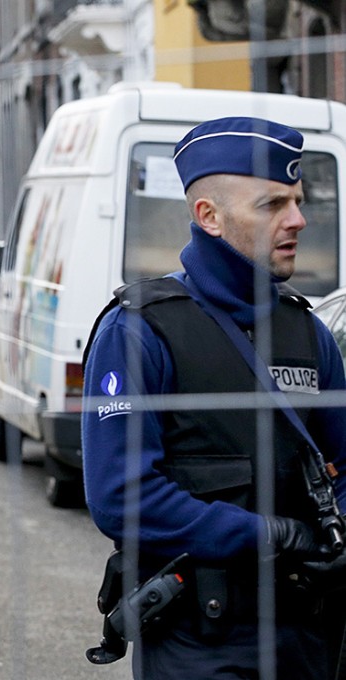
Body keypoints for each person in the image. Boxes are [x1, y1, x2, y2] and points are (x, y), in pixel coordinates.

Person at [81, 117, 346, 679]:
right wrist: (267, 535)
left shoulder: (308, 331)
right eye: (273, 204)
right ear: (210, 217)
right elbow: (121, 497)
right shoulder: (138, 332)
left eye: (297, 202)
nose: (298, 219)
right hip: (202, 640)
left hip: (308, 633)